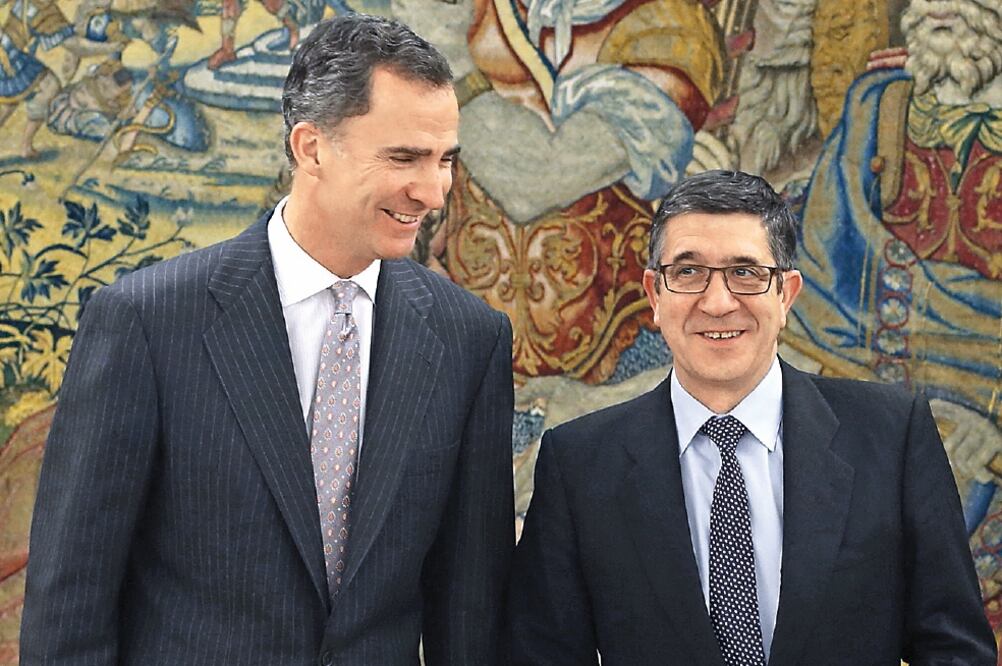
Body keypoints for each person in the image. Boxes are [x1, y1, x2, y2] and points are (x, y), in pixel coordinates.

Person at [21, 13, 514, 664]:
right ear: (311, 147)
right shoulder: (145, 322)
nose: (433, 191)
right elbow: (69, 611)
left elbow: (471, 617)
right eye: (404, 158)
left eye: (444, 160)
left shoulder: (469, 339)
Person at [508, 169, 996, 664]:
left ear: (786, 295)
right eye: (688, 272)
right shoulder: (579, 463)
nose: (718, 303)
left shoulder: (891, 436)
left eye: (745, 272)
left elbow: (954, 650)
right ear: (655, 295)